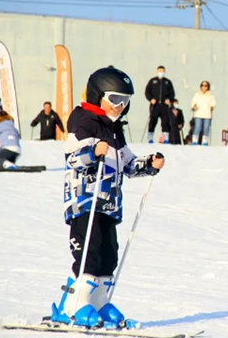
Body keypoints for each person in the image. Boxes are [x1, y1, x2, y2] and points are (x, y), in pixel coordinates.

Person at [50, 66, 165, 328]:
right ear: (96, 95)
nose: (120, 106)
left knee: (108, 256)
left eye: (125, 101)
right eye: (114, 99)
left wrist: (149, 164)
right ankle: (72, 306)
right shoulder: (82, 120)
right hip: (85, 202)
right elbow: (73, 158)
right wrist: (93, 151)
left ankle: (99, 302)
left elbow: (126, 163)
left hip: (108, 204)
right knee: (88, 255)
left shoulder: (115, 130)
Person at [144, 66, 175, 144]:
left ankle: (165, 138)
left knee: (165, 121)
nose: (161, 73)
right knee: (152, 121)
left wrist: (169, 99)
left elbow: (172, 93)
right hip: (155, 105)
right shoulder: (152, 81)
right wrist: (151, 99)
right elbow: (147, 92)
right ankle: (150, 137)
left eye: (162, 71)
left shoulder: (167, 82)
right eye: (160, 71)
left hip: (164, 105)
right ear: (157, 71)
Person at [190, 80, 216, 146]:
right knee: (197, 127)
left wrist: (212, 107)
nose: (204, 87)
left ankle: (204, 141)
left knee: (206, 128)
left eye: (205, 86)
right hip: (198, 113)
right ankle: (195, 141)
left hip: (207, 114)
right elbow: (193, 102)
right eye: (202, 86)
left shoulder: (210, 95)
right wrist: (194, 106)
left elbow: (213, 103)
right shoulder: (197, 94)